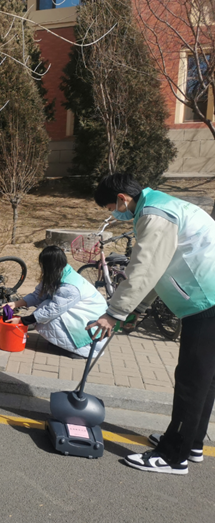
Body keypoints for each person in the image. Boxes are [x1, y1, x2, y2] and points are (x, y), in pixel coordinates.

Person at [89, 172, 215, 475]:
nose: (114, 214)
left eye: (112, 208)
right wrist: (137, 309)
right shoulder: (161, 205)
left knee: (190, 380)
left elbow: (145, 268)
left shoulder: (154, 214)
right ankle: (191, 443)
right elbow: (160, 269)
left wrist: (114, 313)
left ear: (122, 199)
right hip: (207, 300)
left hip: (207, 301)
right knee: (204, 378)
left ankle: (173, 456)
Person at [6, 246, 108, 359]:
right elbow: (38, 295)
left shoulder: (70, 287)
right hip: (83, 313)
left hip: (93, 323)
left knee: (47, 316)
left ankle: (81, 350)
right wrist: (15, 304)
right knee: (44, 308)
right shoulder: (58, 272)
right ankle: (63, 342)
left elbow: (51, 311)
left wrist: (22, 320)